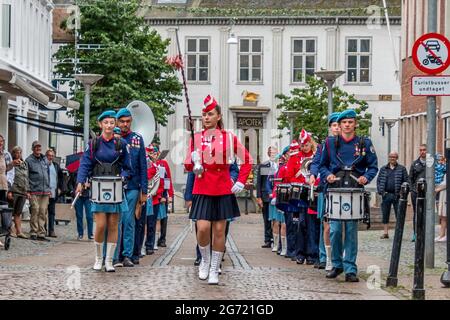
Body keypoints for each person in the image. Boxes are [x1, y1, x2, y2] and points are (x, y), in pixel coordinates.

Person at [184, 95, 253, 285]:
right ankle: (205, 261)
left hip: (222, 188)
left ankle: (215, 267)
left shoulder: (228, 138)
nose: (206, 117)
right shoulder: (196, 137)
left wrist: (240, 181)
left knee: (220, 230)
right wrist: (193, 162)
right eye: (204, 114)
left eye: (210, 114)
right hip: (202, 187)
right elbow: (187, 164)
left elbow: (247, 160)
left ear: (218, 116)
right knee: (203, 227)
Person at [319, 109, 378, 282]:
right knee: (335, 230)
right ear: (340, 124)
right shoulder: (330, 143)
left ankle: (350, 268)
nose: (347, 125)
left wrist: (365, 177)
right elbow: (322, 165)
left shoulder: (364, 143)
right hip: (335, 189)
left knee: (351, 231)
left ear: (355, 124)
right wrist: (327, 175)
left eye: (350, 122)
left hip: (354, 190)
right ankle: (337, 265)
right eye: (344, 122)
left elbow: (373, 166)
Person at [76, 110, 131, 272]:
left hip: (116, 187)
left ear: (115, 125)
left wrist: (123, 177)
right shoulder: (93, 144)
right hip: (98, 187)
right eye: (105, 122)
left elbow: (128, 167)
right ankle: (98, 258)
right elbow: (85, 164)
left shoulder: (121, 144)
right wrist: (80, 181)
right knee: (100, 225)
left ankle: (109, 261)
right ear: (100, 124)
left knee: (113, 225)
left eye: (111, 123)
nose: (108, 126)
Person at [114, 108, 148, 267]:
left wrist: (145, 191)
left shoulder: (137, 139)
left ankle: (127, 255)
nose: (125, 124)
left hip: (133, 186)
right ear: (117, 122)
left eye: (127, 121)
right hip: (115, 185)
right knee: (116, 221)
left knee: (128, 221)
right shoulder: (111, 138)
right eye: (122, 121)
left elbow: (143, 166)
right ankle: (114, 255)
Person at [310, 112, 340, 270]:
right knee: (326, 225)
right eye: (334, 125)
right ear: (330, 128)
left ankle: (336, 257)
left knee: (339, 227)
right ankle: (324, 257)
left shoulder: (346, 144)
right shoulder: (323, 146)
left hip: (341, 188)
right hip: (326, 188)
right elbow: (316, 163)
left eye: (338, 125)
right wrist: (313, 175)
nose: (336, 128)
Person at [376, 151, 408, 239]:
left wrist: (402, 193)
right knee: (385, 214)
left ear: (397, 158)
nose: (392, 158)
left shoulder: (402, 169)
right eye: (390, 156)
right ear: (388, 157)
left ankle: (398, 233)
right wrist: (381, 192)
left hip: (397, 195)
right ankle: (385, 233)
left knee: (399, 214)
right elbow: (378, 181)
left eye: (394, 157)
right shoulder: (383, 169)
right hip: (386, 195)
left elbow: (406, 181)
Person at [26, 141, 51, 241]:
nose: (38, 149)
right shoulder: (29, 160)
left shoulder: (44, 159)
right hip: (34, 190)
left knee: (43, 211)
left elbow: (47, 174)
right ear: (33, 149)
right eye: (36, 147)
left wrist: (49, 189)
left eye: (39, 147)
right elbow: (26, 176)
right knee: (35, 210)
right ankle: (33, 232)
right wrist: (27, 190)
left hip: (45, 191)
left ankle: (41, 233)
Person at [268, 147, 289, 256]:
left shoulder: (287, 166)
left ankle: (284, 247)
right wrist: (270, 193)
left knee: (285, 223)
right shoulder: (275, 167)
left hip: (286, 197)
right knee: (276, 222)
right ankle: (276, 244)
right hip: (276, 195)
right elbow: (269, 181)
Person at [256, 146, 278, 248]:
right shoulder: (264, 165)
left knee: (276, 219)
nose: (273, 154)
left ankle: (276, 239)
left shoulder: (279, 165)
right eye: (271, 152)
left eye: (274, 152)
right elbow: (260, 182)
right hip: (266, 196)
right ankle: (268, 239)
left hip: (278, 194)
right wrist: (259, 197)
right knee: (267, 218)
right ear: (268, 154)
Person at [7, 146, 29, 238]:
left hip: (22, 191)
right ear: (13, 153)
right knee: (10, 212)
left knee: (18, 213)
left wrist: (28, 191)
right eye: (16, 152)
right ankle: (10, 230)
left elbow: (26, 177)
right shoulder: (11, 163)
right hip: (14, 190)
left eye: (19, 152)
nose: (18, 154)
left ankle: (19, 231)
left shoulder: (24, 164)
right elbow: (9, 176)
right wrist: (9, 191)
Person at [154, 147, 174, 248]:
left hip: (163, 194)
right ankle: (153, 240)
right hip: (154, 194)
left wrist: (170, 195)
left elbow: (168, 179)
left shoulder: (163, 163)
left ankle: (162, 239)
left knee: (163, 218)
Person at [68, 169, 93, 241]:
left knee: (89, 216)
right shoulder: (74, 173)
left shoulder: (90, 173)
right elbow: (69, 184)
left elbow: (94, 184)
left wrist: (89, 185)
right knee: (79, 216)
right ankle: (80, 234)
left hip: (87, 196)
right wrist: (73, 191)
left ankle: (90, 234)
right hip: (78, 197)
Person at [409, 144, 427, 242]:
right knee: (417, 213)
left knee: (426, 213)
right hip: (416, 192)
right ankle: (415, 233)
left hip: (427, 192)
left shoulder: (430, 163)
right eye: (420, 150)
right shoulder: (415, 164)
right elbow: (410, 178)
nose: (422, 152)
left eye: (424, 150)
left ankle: (425, 232)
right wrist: (412, 189)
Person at [45, 149, 64, 238]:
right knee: (43, 212)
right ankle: (43, 230)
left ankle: (51, 230)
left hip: (53, 192)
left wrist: (60, 188)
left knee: (52, 213)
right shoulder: (44, 165)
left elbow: (61, 177)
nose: (51, 157)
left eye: (52, 156)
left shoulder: (56, 166)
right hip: (44, 192)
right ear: (46, 156)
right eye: (49, 155)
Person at [0, 134, 13, 203]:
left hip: (3, 185)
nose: (0, 143)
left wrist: (8, 182)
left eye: (1, 141)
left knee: (3, 207)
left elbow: (10, 171)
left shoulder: (6, 154)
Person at [436, 174, 447, 242]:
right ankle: (442, 235)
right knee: (443, 216)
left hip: (446, 194)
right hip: (443, 194)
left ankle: (446, 235)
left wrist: (437, 189)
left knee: (446, 216)